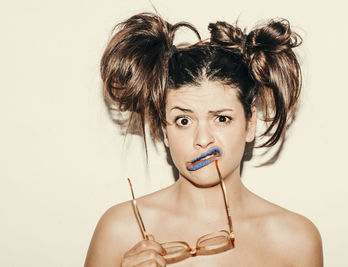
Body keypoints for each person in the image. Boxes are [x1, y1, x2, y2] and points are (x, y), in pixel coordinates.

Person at [85, 12, 323, 267]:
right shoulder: (119, 231)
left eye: (221, 118)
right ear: (165, 130)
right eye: (184, 121)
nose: (202, 140)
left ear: (250, 124)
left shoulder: (296, 240)